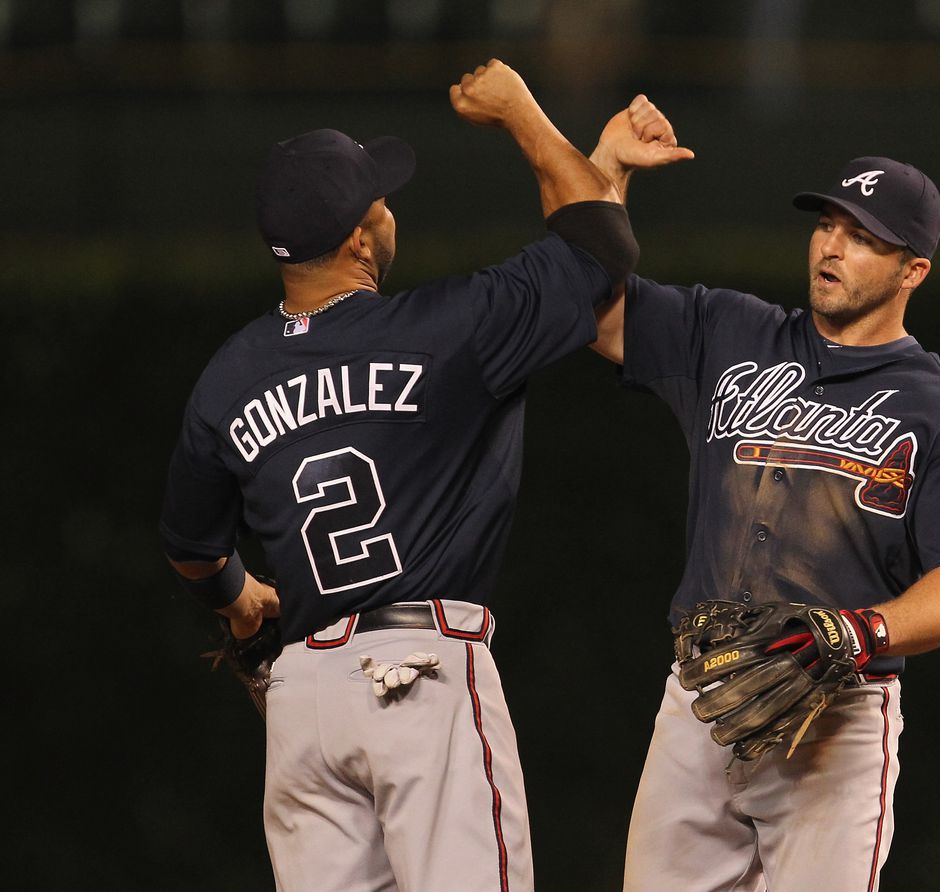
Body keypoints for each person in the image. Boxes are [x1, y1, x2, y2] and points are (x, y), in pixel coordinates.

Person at [158, 60, 686, 892]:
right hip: (419, 677)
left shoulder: (228, 376)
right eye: (381, 199)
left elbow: (189, 543)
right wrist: (521, 111)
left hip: (303, 699)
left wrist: (237, 597)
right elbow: (599, 249)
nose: (390, 207)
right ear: (361, 242)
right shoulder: (450, 330)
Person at [585, 148, 940, 889]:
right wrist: (609, 175)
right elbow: (594, 311)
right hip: (703, 694)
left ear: (913, 270)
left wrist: (863, 630)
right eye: (827, 224)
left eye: (862, 237)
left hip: (837, 715)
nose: (831, 246)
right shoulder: (731, 333)